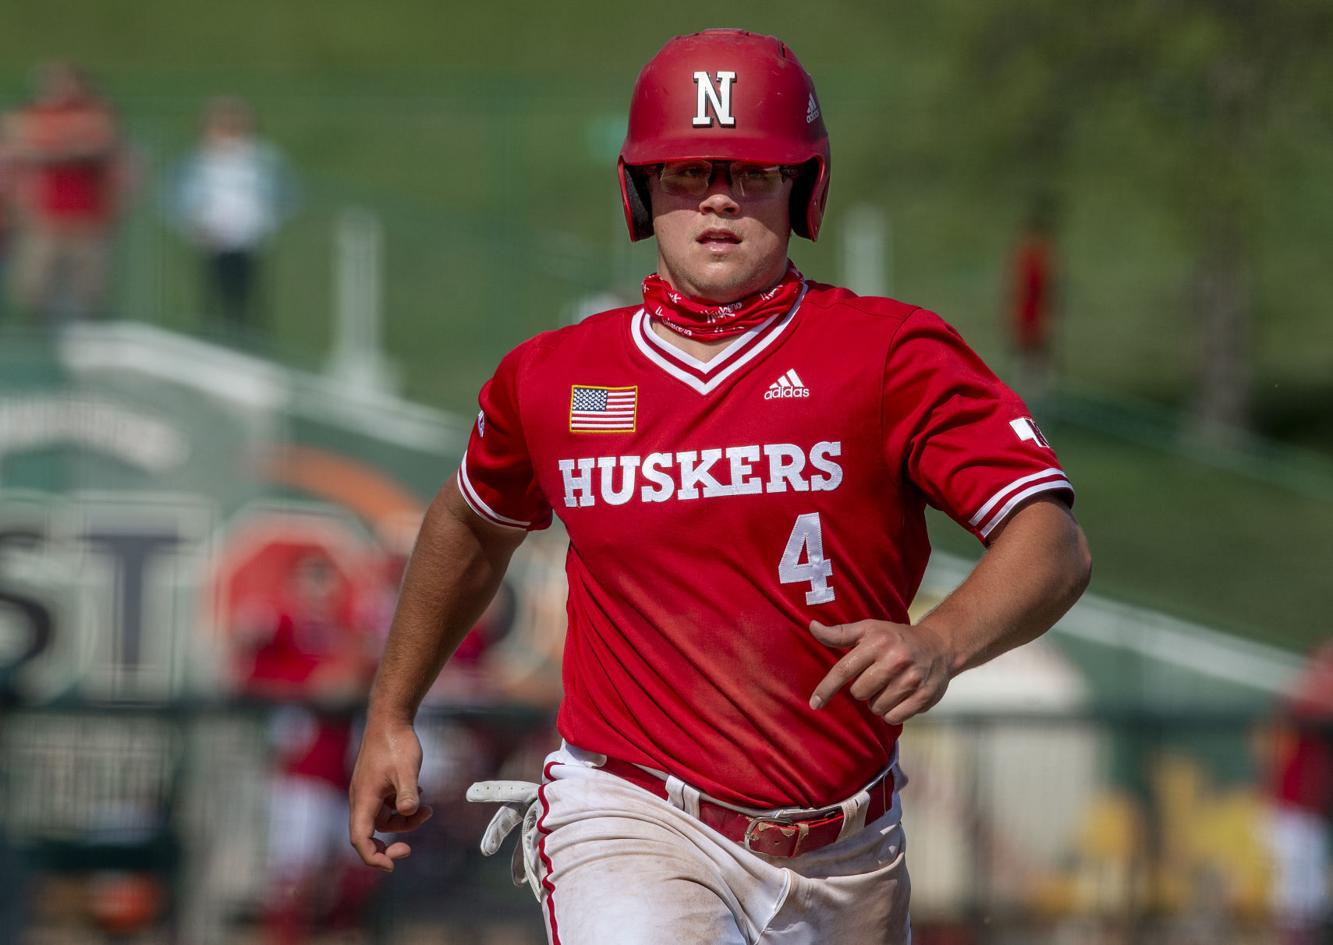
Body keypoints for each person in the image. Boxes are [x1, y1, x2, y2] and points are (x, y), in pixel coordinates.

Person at [349, 29, 1091, 945]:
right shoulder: (552, 378)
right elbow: (471, 524)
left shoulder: (889, 353)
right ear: (638, 189)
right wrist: (391, 711)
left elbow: (1050, 539)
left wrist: (942, 639)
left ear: (803, 187)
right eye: (684, 171)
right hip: (631, 810)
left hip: (849, 848)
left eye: (752, 173)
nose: (716, 198)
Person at [2, 61, 127, 325]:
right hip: (43, 218)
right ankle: (38, 338)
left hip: (86, 217)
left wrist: (55, 149)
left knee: (89, 289)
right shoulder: (34, 115)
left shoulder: (93, 114)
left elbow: (99, 145)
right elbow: (19, 146)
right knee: (32, 287)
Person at [168, 96, 295, 332]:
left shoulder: (263, 159)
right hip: (211, 238)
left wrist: (266, 224)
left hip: (249, 238)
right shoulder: (197, 160)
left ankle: (248, 346)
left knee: (247, 297)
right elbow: (177, 198)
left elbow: (285, 195)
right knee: (211, 296)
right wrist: (194, 226)